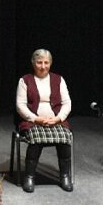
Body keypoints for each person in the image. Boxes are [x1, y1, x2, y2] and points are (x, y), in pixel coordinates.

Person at [15, 48, 73, 192]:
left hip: (56, 121)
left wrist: (58, 118)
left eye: (46, 63)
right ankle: (29, 176)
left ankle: (65, 176)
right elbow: (20, 105)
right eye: (39, 62)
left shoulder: (58, 79)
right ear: (33, 63)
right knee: (36, 138)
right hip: (32, 121)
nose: (43, 66)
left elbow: (67, 103)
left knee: (65, 137)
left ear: (50, 63)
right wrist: (36, 119)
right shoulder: (25, 80)